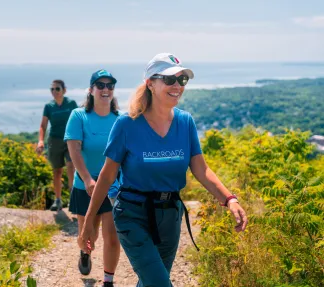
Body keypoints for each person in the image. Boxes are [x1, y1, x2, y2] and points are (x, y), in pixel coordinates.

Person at [78, 53, 248, 287]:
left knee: (151, 282)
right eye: (169, 80)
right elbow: (107, 176)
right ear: (150, 83)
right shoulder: (127, 125)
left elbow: (201, 169)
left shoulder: (185, 122)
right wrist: (88, 222)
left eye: (182, 80)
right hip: (132, 214)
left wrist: (230, 199)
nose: (177, 85)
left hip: (170, 214)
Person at [64, 69, 121, 287]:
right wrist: (87, 178)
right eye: (100, 85)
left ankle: (108, 280)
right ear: (91, 90)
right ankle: (85, 254)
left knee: (112, 235)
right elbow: (74, 151)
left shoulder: (119, 119)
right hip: (85, 184)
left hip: (112, 186)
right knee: (89, 235)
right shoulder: (79, 116)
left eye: (110, 86)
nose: (105, 89)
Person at [36, 80, 77, 211]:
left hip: (70, 139)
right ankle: (58, 200)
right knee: (57, 170)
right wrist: (40, 141)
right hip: (54, 140)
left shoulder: (71, 104)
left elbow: (78, 120)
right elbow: (43, 125)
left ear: (64, 90)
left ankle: (73, 199)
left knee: (71, 166)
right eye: (52, 89)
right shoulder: (49, 106)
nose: (54, 92)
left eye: (57, 89)